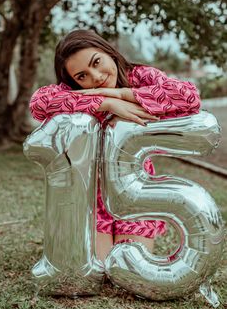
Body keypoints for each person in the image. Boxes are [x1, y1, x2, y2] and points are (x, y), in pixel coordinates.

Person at [29, 29, 201, 262]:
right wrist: (105, 102)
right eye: (82, 76)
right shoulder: (77, 92)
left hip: (134, 188)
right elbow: (39, 103)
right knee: (103, 268)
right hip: (92, 193)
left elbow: (189, 97)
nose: (96, 77)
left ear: (108, 52)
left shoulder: (140, 76)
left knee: (129, 264)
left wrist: (122, 93)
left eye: (96, 62)